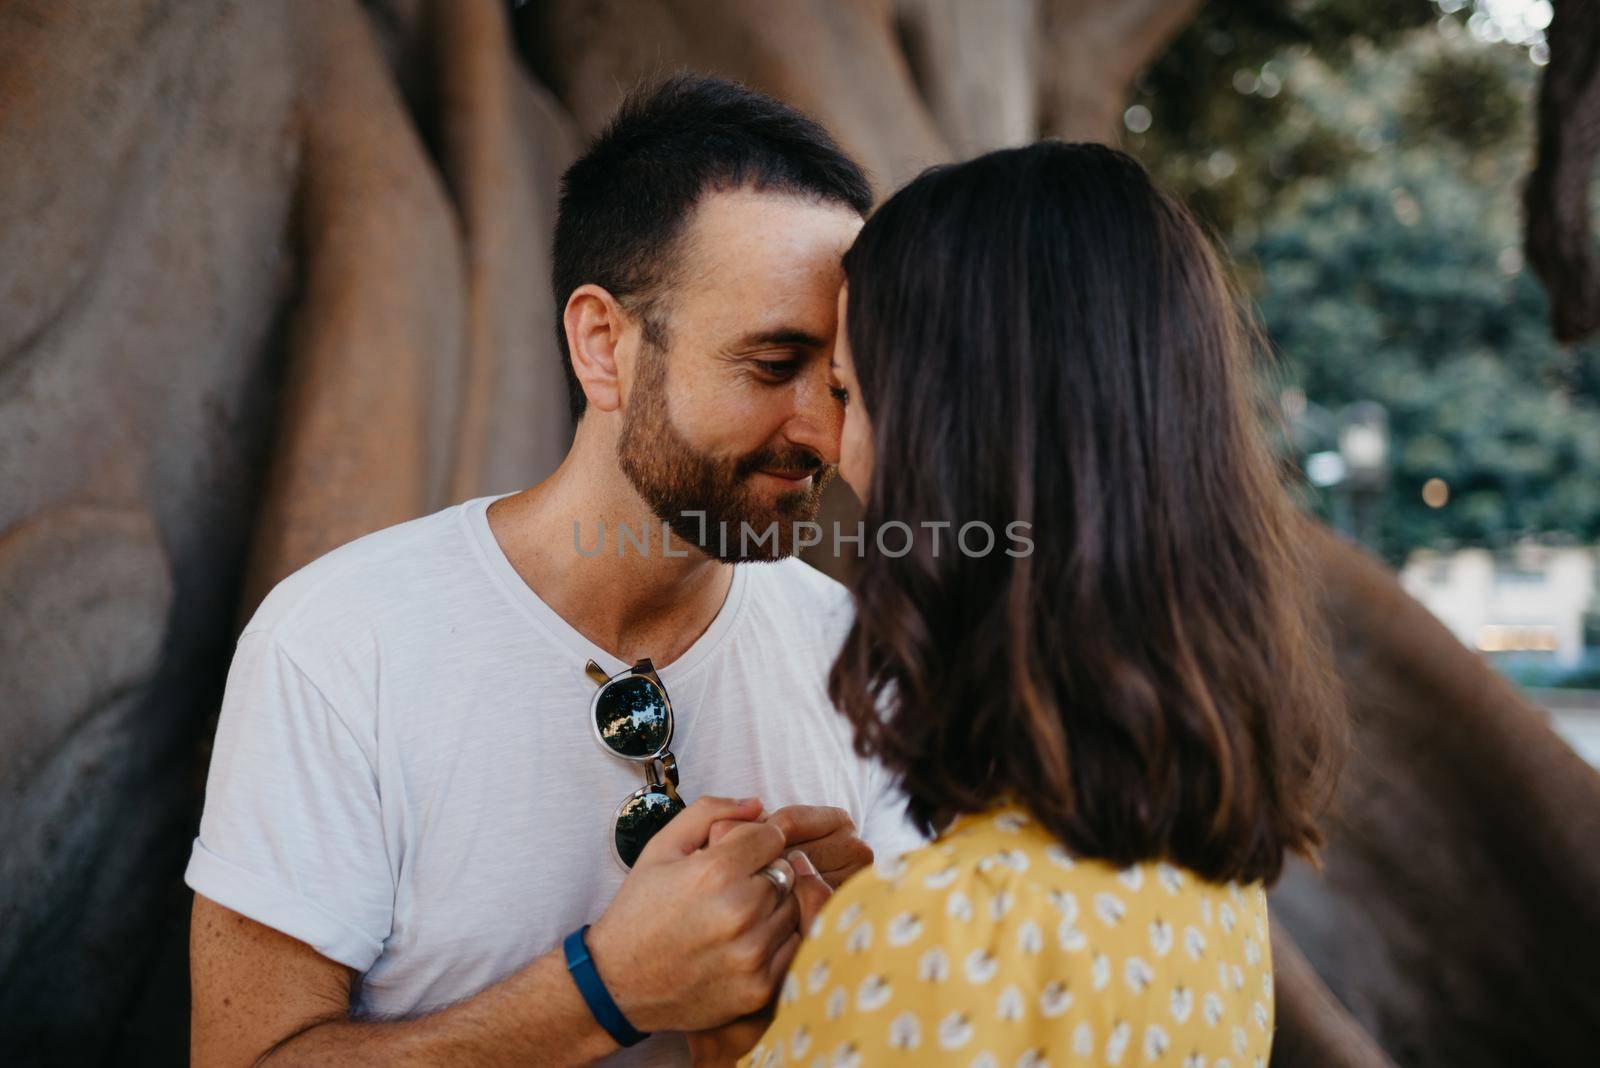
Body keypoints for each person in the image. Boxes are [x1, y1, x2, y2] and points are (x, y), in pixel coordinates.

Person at [186, 73, 925, 1067]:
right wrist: (604, 990)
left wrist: (841, 984)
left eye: (838, 379)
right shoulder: (337, 643)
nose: (820, 431)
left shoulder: (867, 661)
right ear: (602, 345)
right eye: (769, 363)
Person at [728, 142, 1345, 1067]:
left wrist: (734, 1033)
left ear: (957, 449)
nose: (831, 444)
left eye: (852, 394)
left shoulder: (934, 942)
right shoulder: (1210, 893)